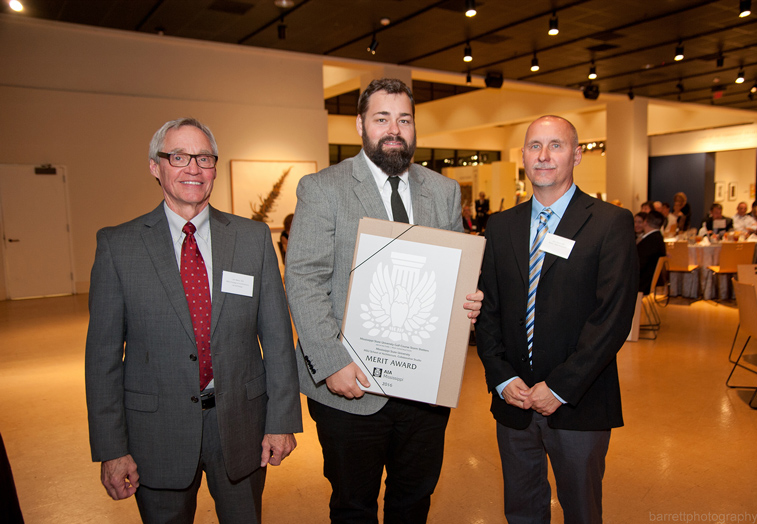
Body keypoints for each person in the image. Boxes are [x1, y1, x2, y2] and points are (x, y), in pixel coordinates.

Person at [284, 78, 483, 524]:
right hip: (349, 388)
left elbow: (454, 277)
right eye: (382, 118)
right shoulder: (323, 188)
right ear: (360, 124)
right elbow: (304, 278)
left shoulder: (444, 191)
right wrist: (331, 361)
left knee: (413, 503)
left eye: (404, 119)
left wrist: (467, 301)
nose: (394, 129)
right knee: (353, 506)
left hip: (423, 392)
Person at [85, 118, 302, 524]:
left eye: (204, 158)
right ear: (156, 166)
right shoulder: (118, 246)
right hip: (156, 434)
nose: (193, 169)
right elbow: (102, 360)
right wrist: (112, 449)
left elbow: (276, 338)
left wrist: (282, 421)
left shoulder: (252, 239)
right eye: (179, 157)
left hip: (241, 427)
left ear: (215, 167)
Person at [475, 115, 638, 524]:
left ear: (577, 155)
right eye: (534, 146)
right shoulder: (501, 226)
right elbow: (487, 309)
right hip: (513, 402)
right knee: (522, 511)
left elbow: (612, 319)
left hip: (578, 404)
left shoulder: (609, 223)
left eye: (556, 145)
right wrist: (501, 377)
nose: (543, 156)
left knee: (582, 512)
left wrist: (561, 387)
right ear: (524, 158)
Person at [637, 211, 667, 294]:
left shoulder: (650, 241)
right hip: (648, 280)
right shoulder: (657, 238)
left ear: (645, 222)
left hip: (642, 282)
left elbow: (638, 264)